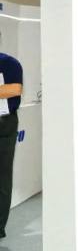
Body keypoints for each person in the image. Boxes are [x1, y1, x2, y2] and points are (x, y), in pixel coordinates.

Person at [0, 43, 23, 240]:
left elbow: (15, 89)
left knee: (3, 176)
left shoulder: (9, 63)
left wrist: (5, 90)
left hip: (4, 123)